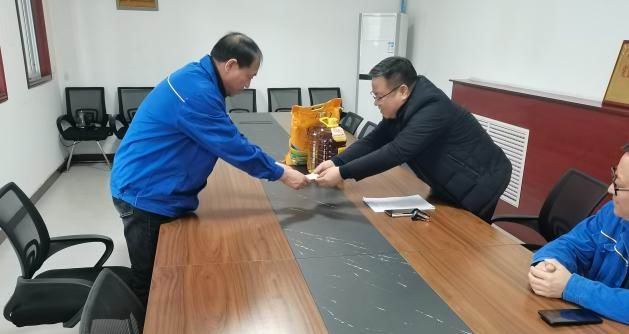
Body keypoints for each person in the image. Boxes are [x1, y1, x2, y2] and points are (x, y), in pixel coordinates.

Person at [110, 32, 309, 306]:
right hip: (145, 195)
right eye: (249, 76)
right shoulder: (198, 93)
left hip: (151, 183)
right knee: (154, 282)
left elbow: (223, 136)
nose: (249, 85)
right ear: (230, 65)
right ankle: (143, 330)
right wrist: (282, 173)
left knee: (171, 272)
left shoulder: (199, 77)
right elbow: (231, 145)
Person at [314, 56, 512, 222]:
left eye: (379, 96)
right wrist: (336, 162)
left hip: (481, 180)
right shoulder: (403, 106)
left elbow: (396, 152)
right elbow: (375, 139)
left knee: (465, 237)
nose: (376, 103)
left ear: (402, 91)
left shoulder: (432, 108)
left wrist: (342, 173)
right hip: (449, 179)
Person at [528, 144, 629, 323]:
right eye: (614, 177)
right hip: (595, 326)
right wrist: (548, 266)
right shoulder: (612, 214)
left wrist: (571, 287)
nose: (609, 189)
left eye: (618, 185)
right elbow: (571, 243)